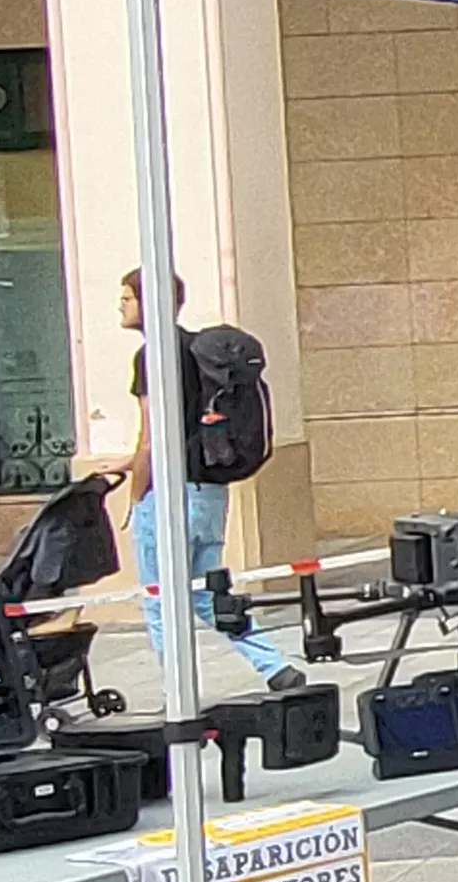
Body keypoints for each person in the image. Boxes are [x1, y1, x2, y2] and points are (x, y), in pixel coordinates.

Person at [91, 271, 302, 693]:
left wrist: (137, 496)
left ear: (148, 302)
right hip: (208, 491)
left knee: (158, 599)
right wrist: (127, 462)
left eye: (127, 298)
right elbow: (185, 431)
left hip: (170, 493)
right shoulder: (198, 353)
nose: (121, 305)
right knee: (208, 592)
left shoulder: (151, 357)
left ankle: (178, 692)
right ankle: (275, 667)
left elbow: (151, 439)